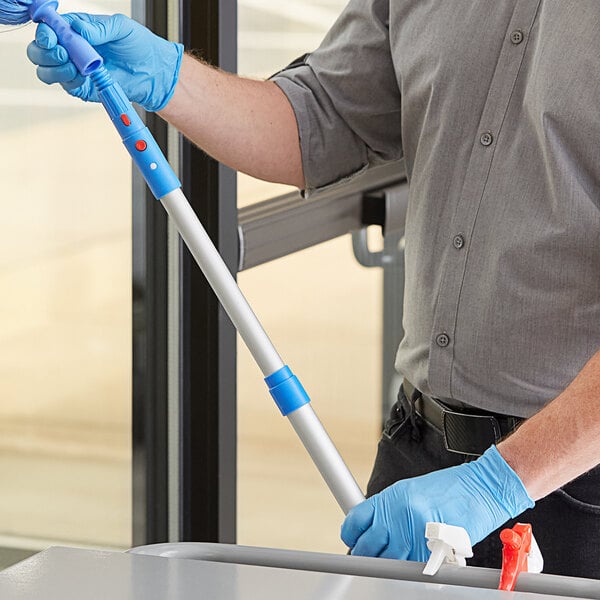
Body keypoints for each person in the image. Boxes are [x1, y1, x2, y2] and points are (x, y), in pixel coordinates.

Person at [27, 2, 600, 579]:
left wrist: (498, 483)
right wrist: (169, 76)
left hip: (577, 483)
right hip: (418, 461)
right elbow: (323, 117)